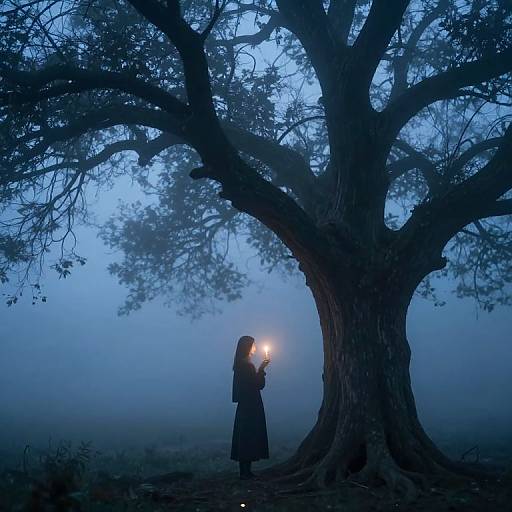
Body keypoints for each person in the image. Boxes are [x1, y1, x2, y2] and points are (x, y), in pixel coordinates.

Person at [230, 335, 270, 479]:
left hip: (245, 405)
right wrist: (261, 369)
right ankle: (245, 473)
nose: (255, 348)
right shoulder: (247, 366)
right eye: (253, 345)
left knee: (244, 435)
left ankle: (245, 471)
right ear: (247, 347)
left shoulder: (240, 365)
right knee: (248, 435)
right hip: (251, 405)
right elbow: (258, 385)